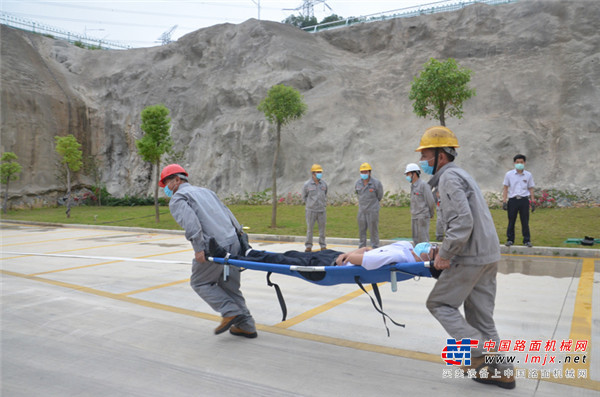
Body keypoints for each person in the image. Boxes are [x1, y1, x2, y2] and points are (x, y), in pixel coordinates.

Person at [416, 126, 515, 389]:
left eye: (425, 155)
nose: (423, 162)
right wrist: (443, 246)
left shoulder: (448, 178)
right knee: (482, 319)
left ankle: (480, 352)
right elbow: (464, 220)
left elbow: (461, 223)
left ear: (441, 155)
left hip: (470, 256)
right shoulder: (462, 176)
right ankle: (504, 371)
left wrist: (444, 256)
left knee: (439, 304)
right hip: (488, 254)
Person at [159, 164, 257, 339]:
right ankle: (246, 326)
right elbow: (228, 213)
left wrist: (198, 249)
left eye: (167, 183)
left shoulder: (178, 198)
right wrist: (240, 237)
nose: (166, 188)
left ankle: (229, 310)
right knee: (230, 287)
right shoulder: (206, 192)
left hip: (214, 247)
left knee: (200, 282)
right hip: (233, 241)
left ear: (177, 179)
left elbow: (191, 224)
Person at [209, 237, 436, 270]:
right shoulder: (408, 246)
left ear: (426, 259)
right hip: (340, 255)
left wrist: (349, 256)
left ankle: (231, 257)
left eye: (432, 251)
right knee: (291, 252)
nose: (430, 247)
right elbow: (369, 249)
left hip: (336, 264)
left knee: (282, 261)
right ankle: (250, 251)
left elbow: (368, 258)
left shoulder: (403, 258)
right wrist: (355, 252)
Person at [502, 154, 535, 247]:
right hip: (513, 200)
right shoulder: (509, 174)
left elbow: (531, 188)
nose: (519, 164)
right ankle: (510, 239)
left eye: (521, 162)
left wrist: (532, 201)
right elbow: (505, 188)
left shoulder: (528, 175)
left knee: (525, 221)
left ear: (524, 163)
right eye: (517, 162)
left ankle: (526, 240)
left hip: (524, 200)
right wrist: (504, 201)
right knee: (511, 221)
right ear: (514, 163)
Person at [405, 163, 435, 244]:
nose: (407, 176)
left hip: (422, 216)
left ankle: (426, 255)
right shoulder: (413, 185)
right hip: (414, 215)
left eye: (408, 174)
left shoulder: (423, 185)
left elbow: (430, 200)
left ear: (414, 174)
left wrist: (431, 213)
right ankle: (418, 255)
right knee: (415, 238)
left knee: (423, 239)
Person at [355, 162, 384, 248]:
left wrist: (373, 205)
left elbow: (380, 195)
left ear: (370, 172)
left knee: (373, 231)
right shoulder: (358, 183)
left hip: (372, 211)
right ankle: (361, 248)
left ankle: (375, 247)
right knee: (361, 231)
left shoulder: (376, 183)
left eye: (366, 172)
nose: (364, 174)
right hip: (361, 211)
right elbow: (358, 194)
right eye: (362, 172)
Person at [302, 164, 328, 252]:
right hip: (311, 210)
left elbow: (325, 194)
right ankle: (308, 246)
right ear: (313, 173)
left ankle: (323, 246)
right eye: (318, 172)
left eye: (320, 172)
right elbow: (304, 196)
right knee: (310, 229)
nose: (320, 174)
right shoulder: (307, 184)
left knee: (322, 229)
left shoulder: (324, 184)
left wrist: (323, 204)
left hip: (321, 210)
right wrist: (310, 204)